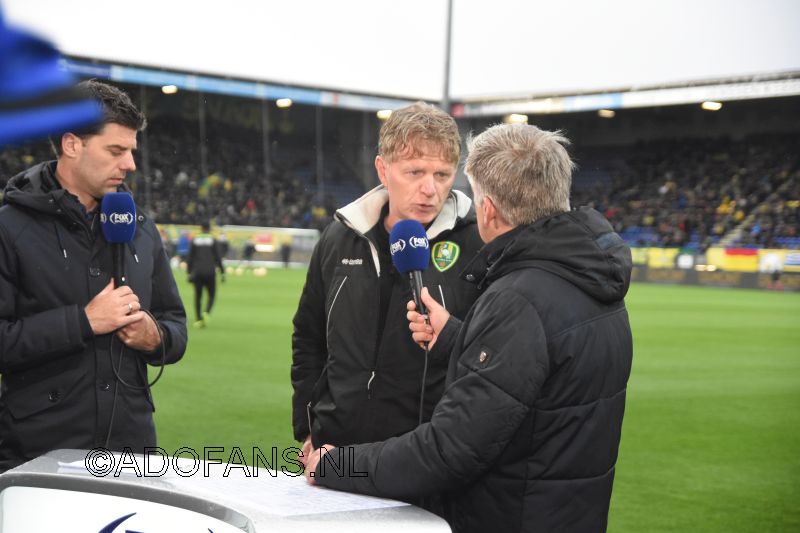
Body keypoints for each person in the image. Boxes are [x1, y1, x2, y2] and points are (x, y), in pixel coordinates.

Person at [304, 123, 634, 533]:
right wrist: (458, 342)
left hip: (513, 516)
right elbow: (538, 382)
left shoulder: (520, 300)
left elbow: (451, 449)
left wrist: (337, 463)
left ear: (489, 209)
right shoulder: (594, 281)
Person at [0, 80, 187, 472]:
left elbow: (175, 326)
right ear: (72, 145)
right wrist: (83, 321)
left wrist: (156, 337)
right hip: (39, 453)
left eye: (131, 151)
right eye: (116, 150)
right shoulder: (9, 228)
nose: (130, 164)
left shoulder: (139, 226)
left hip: (131, 451)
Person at [291, 102, 483, 460]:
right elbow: (308, 338)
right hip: (334, 452)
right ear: (383, 169)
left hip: (423, 460)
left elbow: (495, 356)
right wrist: (309, 427)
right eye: (414, 172)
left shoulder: (478, 244)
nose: (430, 189)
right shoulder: (340, 237)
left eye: (442, 175)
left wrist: (452, 335)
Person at [187, 221, 225, 327]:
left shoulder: (195, 240)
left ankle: (198, 319)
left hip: (197, 271)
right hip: (210, 272)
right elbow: (218, 257)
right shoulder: (212, 240)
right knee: (211, 294)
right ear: (209, 228)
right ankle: (206, 312)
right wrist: (222, 272)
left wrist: (189, 273)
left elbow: (190, 257)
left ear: (201, 228)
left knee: (198, 296)